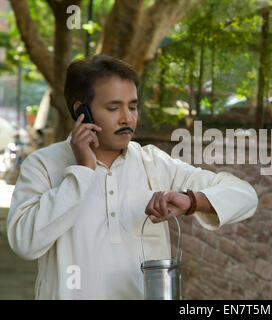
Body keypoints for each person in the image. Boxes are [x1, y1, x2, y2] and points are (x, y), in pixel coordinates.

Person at [7, 55, 258, 299]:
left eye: (133, 106)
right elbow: (25, 242)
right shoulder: (43, 165)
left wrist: (191, 201)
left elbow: (245, 196)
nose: (127, 117)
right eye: (114, 107)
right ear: (81, 112)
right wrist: (82, 171)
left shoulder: (154, 163)